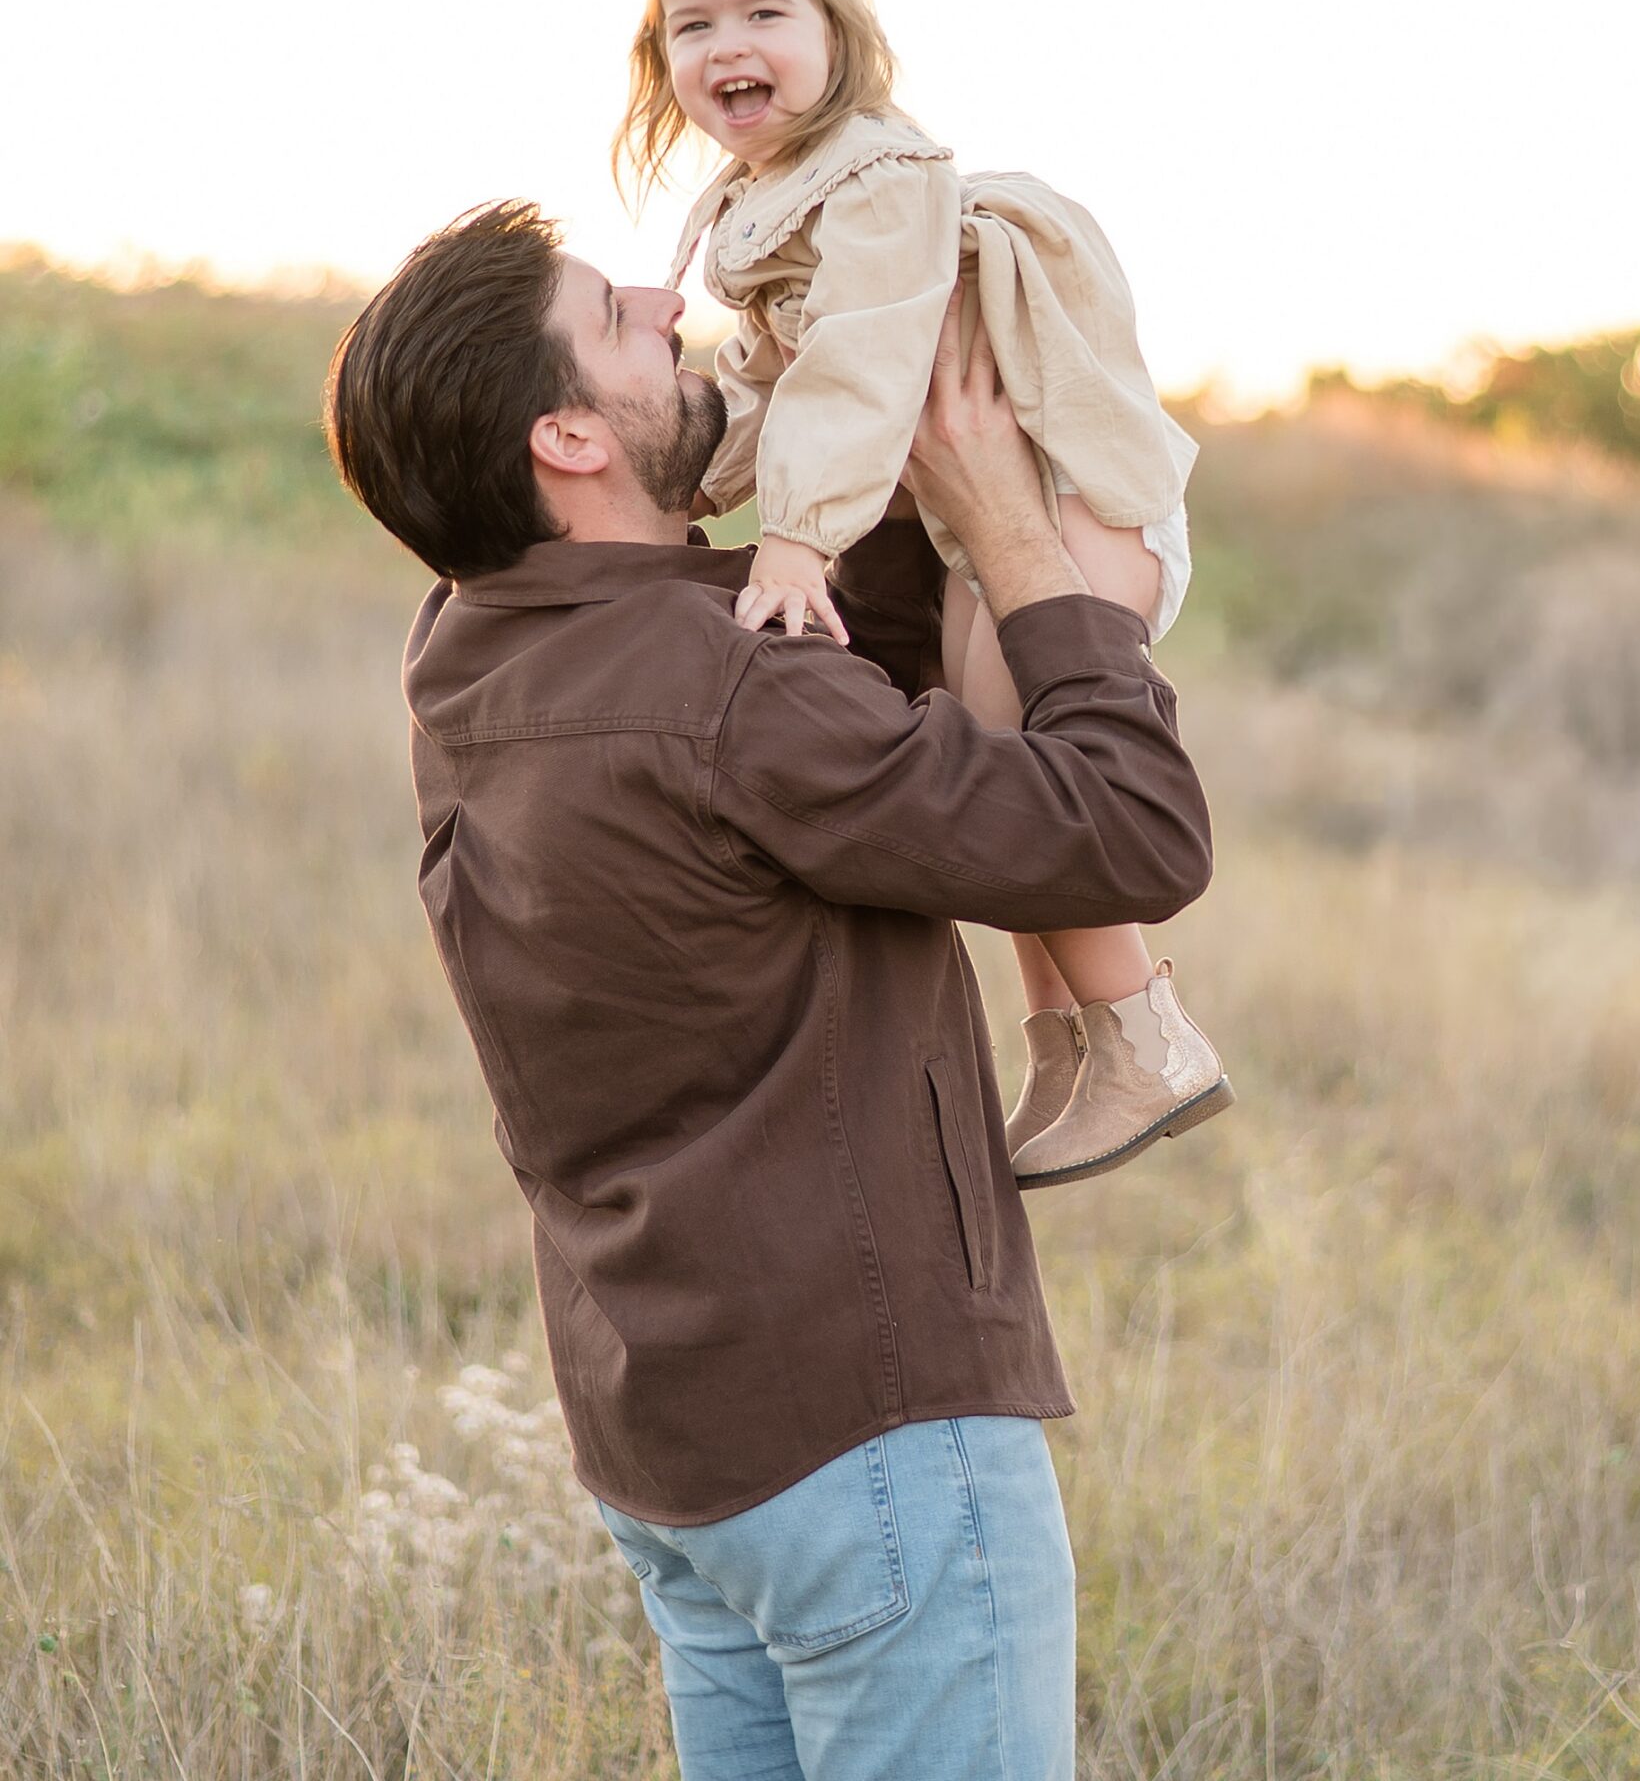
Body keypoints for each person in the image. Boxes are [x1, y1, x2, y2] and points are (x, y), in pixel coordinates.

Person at [324, 200, 1214, 1781]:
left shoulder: (468, 650)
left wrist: (856, 408)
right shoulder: (725, 702)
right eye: (614, 315)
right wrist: (1006, 521)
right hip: (867, 1442)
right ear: (572, 439)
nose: (668, 302)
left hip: (677, 1442)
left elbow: (831, 705)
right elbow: (1131, 836)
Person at [618, 0, 1230, 1187]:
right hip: (974, 524)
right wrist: (682, 476)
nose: (728, 47)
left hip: (1061, 505)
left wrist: (793, 534)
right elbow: (777, 389)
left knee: (1024, 775)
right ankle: (1070, 1048)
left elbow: (867, 364)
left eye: (765, 12)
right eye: (691, 24)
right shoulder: (769, 196)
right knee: (984, 762)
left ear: (841, 30)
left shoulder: (881, 180)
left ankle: (1144, 1033)